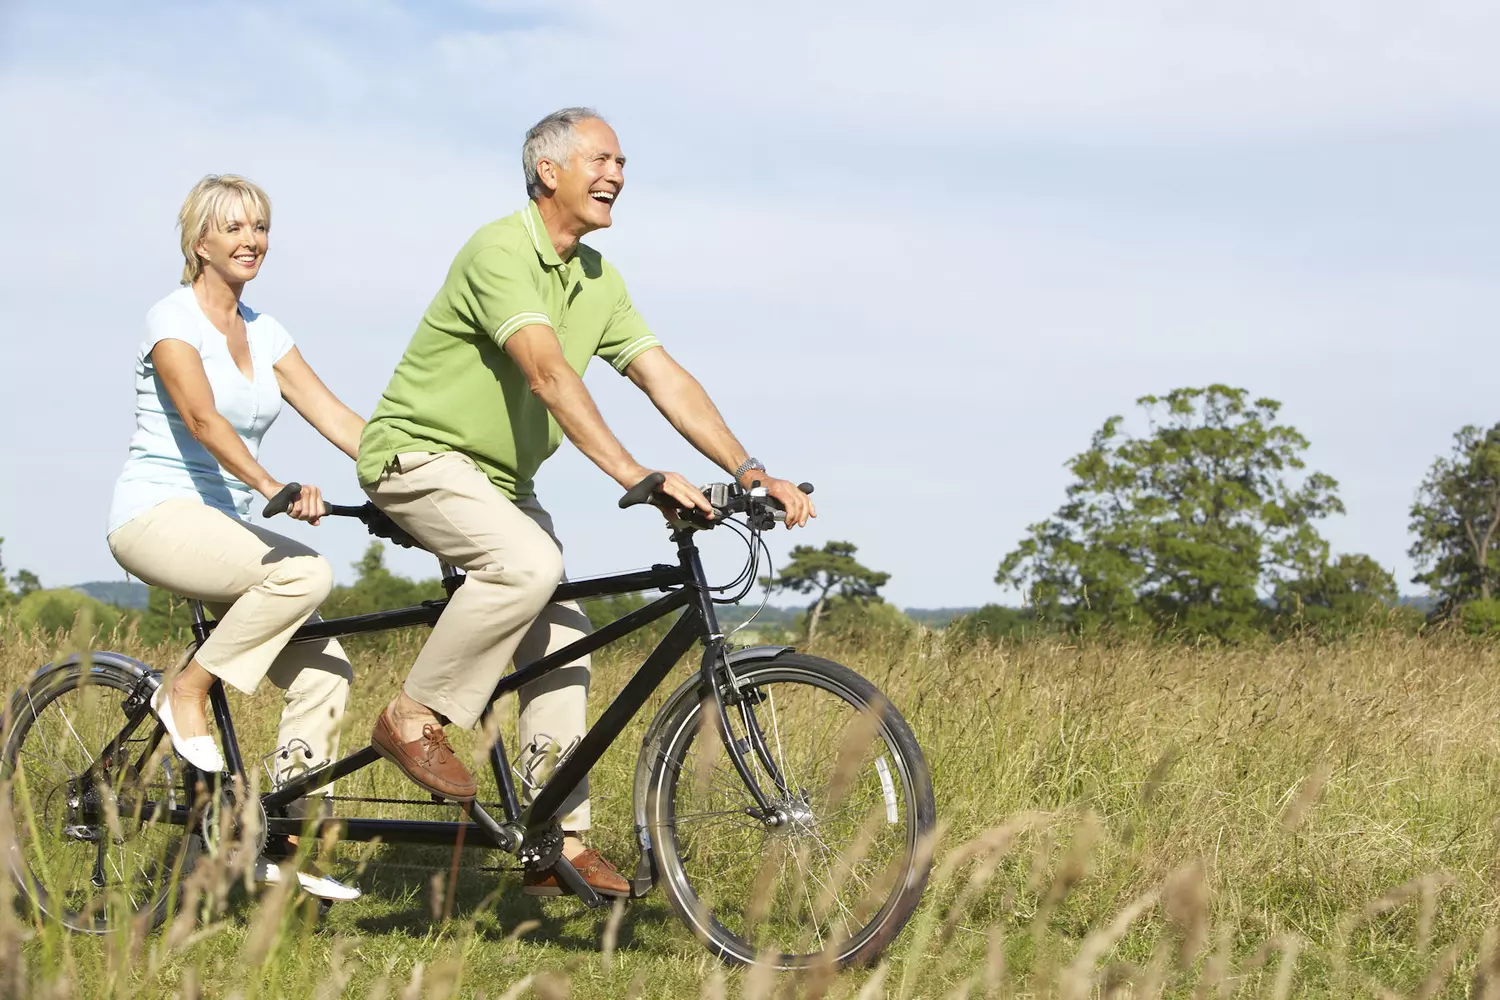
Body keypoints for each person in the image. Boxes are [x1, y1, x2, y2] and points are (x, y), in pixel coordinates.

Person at [356, 107, 816, 897]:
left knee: (566, 634)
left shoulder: (598, 278)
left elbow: (662, 375)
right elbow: (546, 373)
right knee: (527, 564)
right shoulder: (500, 249)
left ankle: (552, 840)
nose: (618, 175)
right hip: (418, 455)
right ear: (549, 171)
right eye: (602, 159)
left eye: (624, 162)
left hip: (504, 483)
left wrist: (748, 469)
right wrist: (635, 472)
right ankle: (411, 715)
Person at [107, 174, 365, 901]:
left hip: (223, 526)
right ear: (199, 242)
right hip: (155, 514)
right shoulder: (172, 318)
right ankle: (185, 692)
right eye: (233, 227)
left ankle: (271, 839)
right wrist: (271, 486)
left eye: (259, 226)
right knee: (305, 573)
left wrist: (412, 475)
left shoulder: (266, 330)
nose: (251, 239)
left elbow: (338, 417)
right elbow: (201, 419)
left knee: (326, 672)